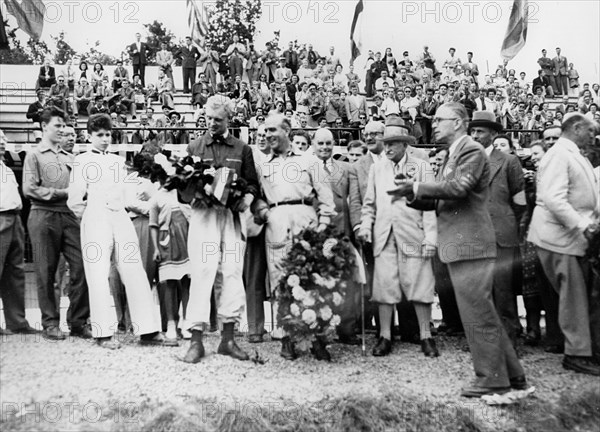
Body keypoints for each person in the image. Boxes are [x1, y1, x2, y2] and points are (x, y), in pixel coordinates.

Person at [387, 103, 527, 397]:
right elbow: (443, 199)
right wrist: (411, 195)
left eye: (439, 119)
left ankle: (492, 379)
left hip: (470, 244)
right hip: (462, 244)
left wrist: (418, 187)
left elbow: (458, 189)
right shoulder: (454, 153)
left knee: (478, 315)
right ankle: (513, 376)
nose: (433, 124)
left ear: (459, 123)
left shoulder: (471, 150)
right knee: (482, 311)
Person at [67, 113, 165, 349]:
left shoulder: (118, 161)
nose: (104, 139)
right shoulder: (81, 160)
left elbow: (127, 196)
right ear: (89, 136)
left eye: (108, 134)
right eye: (99, 135)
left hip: (119, 216)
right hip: (95, 216)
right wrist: (91, 217)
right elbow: (74, 200)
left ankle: (148, 330)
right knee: (98, 274)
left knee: (134, 269)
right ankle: (103, 333)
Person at [182, 96, 260, 364]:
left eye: (218, 119)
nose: (213, 123)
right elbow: (182, 189)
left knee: (232, 272)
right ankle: (196, 340)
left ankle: (228, 339)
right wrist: (192, 190)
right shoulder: (194, 146)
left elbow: (252, 184)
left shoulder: (241, 149)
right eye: (209, 118)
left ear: (229, 119)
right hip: (204, 216)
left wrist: (246, 198)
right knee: (203, 271)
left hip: (231, 217)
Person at [252, 114, 336, 360]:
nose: (267, 135)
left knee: (312, 279)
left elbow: (326, 198)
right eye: (264, 131)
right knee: (279, 281)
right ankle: (285, 338)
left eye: (272, 130)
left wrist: (324, 226)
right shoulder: (263, 164)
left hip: (305, 219)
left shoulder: (309, 161)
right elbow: (255, 194)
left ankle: (318, 339)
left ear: (287, 130)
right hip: (276, 221)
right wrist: (261, 209)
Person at [527, 113, 600, 376]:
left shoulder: (572, 153)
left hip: (567, 238)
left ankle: (583, 349)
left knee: (577, 296)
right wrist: (584, 226)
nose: (594, 136)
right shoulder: (560, 154)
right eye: (591, 131)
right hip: (559, 237)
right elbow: (553, 199)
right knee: (573, 298)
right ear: (577, 127)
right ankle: (576, 354)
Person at [358, 131, 440, 358]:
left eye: (393, 144)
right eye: (386, 144)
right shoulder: (378, 168)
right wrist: (366, 226)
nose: (388, 148)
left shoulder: (421, 167)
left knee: (421, 285)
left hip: (414, 235)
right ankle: (385, 336)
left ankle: (426, 336)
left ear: (405, 145)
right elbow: (369, 204)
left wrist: (431, 238)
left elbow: (430, 205)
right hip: (384, 236)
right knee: (384, 288)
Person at [22, 108, 91, 340]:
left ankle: (78, 321)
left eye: (64, 126)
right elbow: (30, 189)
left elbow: (81, 189)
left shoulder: (70, 158)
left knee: (82, 265)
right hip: (43, 214)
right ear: (44, 127)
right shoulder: (34, 155)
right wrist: (62, 193)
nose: (62, 130)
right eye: (57, 126)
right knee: (45, 270)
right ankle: (50, 323)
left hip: (69, 215)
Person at [469, 111, 526, 346]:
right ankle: (484, 341)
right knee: (478, 291)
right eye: (472, 131)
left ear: (493, 134)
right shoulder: (466, 161)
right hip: (473, 235)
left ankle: (509, 340)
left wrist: (508, 223)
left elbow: (520, 201)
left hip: (501, 234)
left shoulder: (509, 161)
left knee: (503, 292)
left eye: (480, 131)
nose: (475, 135)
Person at [0, 133, 38, 336]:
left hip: (14, 218)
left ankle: (16, 321)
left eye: (3, 138)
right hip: (0, 217)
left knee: (15, 271)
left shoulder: (5, 167)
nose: (2, 142)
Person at [149, 167, 191, 346]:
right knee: (170, 283)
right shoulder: (156, 198)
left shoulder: (182, 193)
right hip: (166, 241)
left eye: (169, 177)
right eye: (162, 178)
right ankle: (171, 324)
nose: (166, 181)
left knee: (187, 282)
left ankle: (187, 322)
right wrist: (156, 248)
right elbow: (153, 225)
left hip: (186, 239)